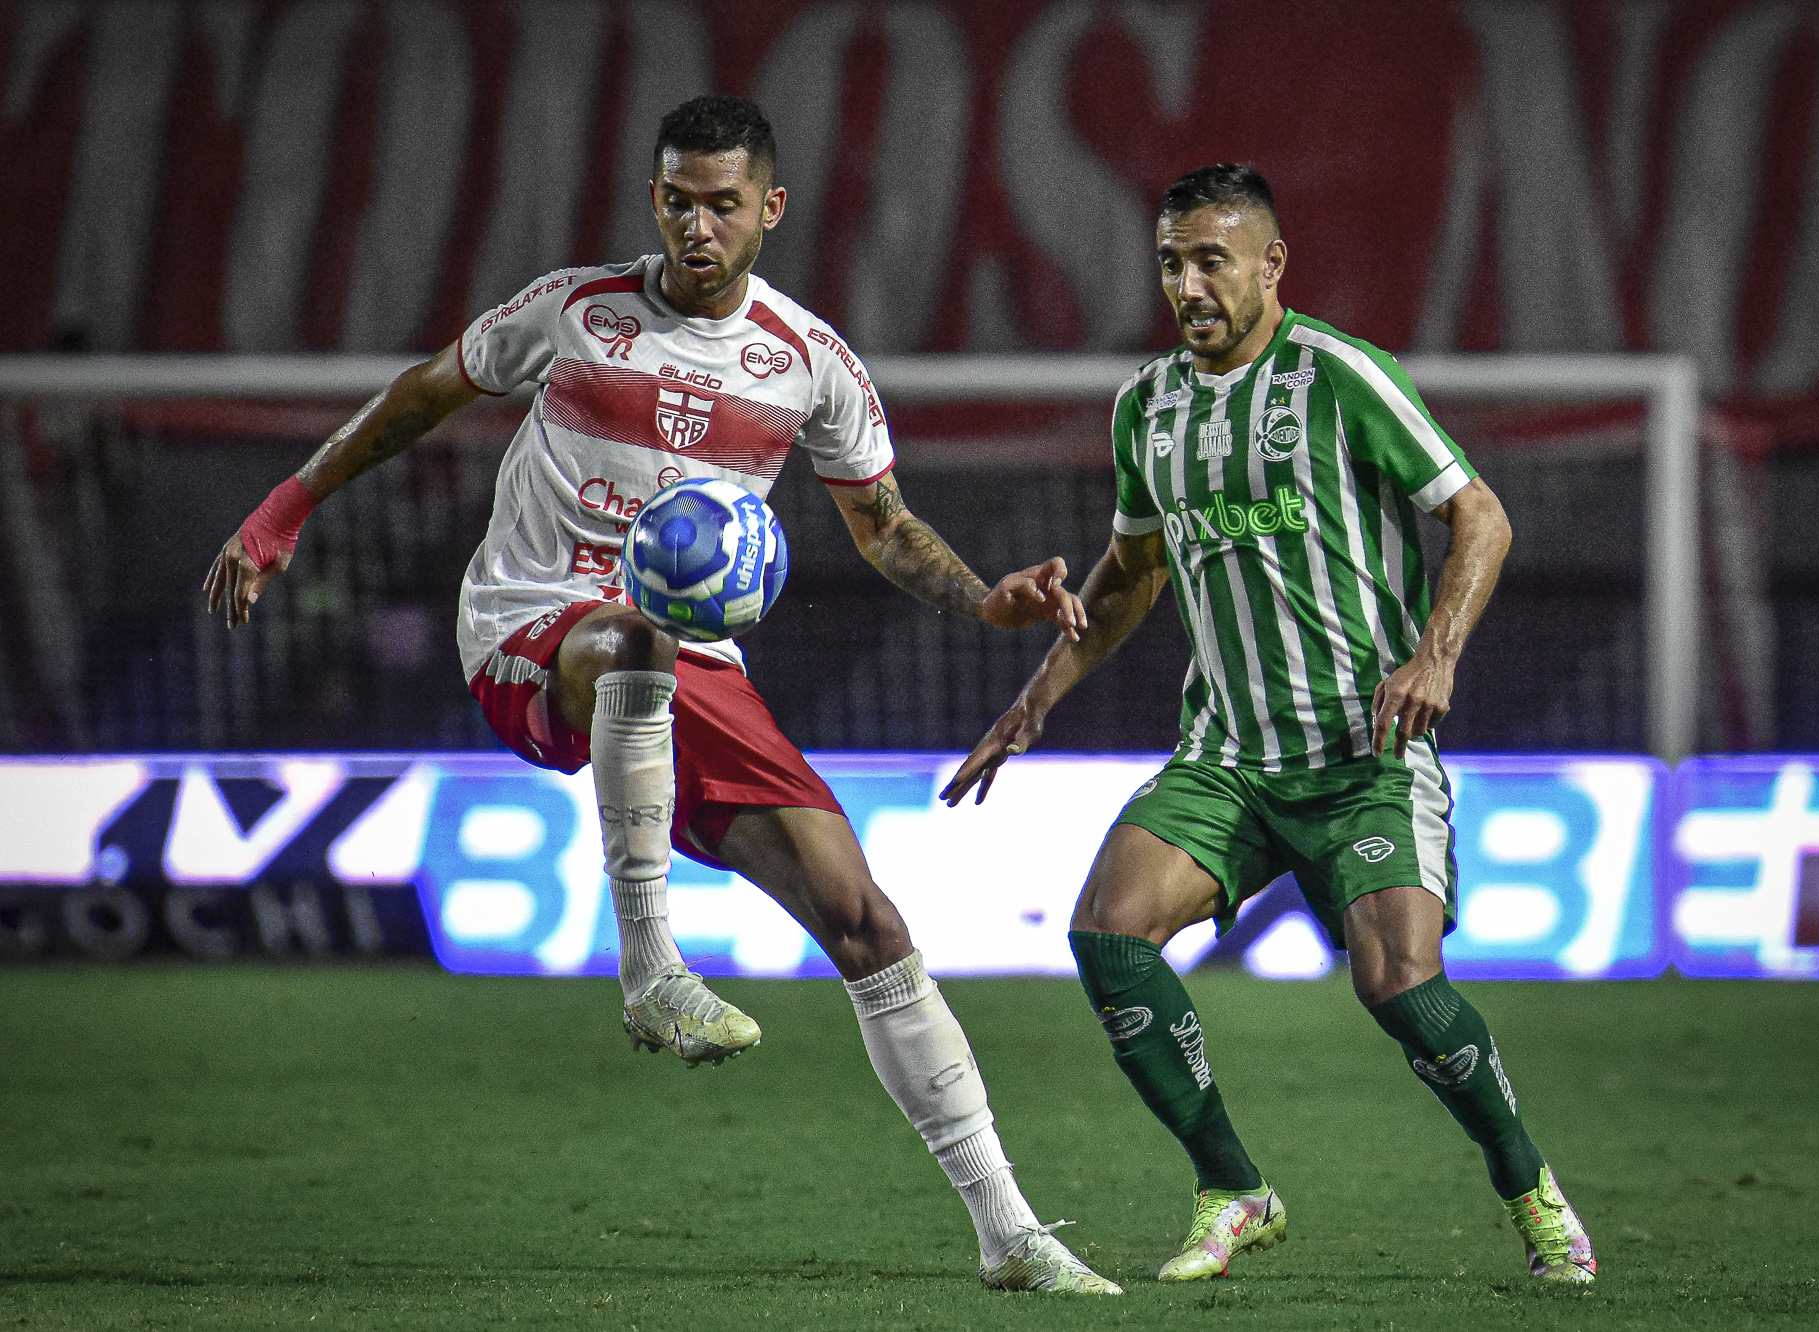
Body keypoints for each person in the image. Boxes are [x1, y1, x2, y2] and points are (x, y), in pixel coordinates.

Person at [205, 95, 1118, 1296]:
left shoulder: (808, 362)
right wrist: (285, 511)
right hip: (531, 626)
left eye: (721, 206)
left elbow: (885, 526)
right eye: (677, 201)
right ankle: (650, 973)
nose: (696, 226)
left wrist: (984, 598)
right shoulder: (574, 311)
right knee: (633, 632)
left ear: (769, 210)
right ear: (653, 198)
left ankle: (1009, 1232)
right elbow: (425, 392)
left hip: (689, 664)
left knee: (868, 923)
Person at [944, 164, 1596, 1286]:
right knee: (1108, 934)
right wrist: (1033, 699)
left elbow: (1479, 515)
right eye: (1171, 263)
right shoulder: (1146, 406)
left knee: (1399, 985)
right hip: (1229, 759)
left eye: (1211, 260)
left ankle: (1530, 1190)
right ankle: (1232, 1186)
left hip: (1363, 754)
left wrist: (1434, 656)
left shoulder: (1338, 376)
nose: (1188, 285)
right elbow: (1133, 571)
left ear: (1269, 264)